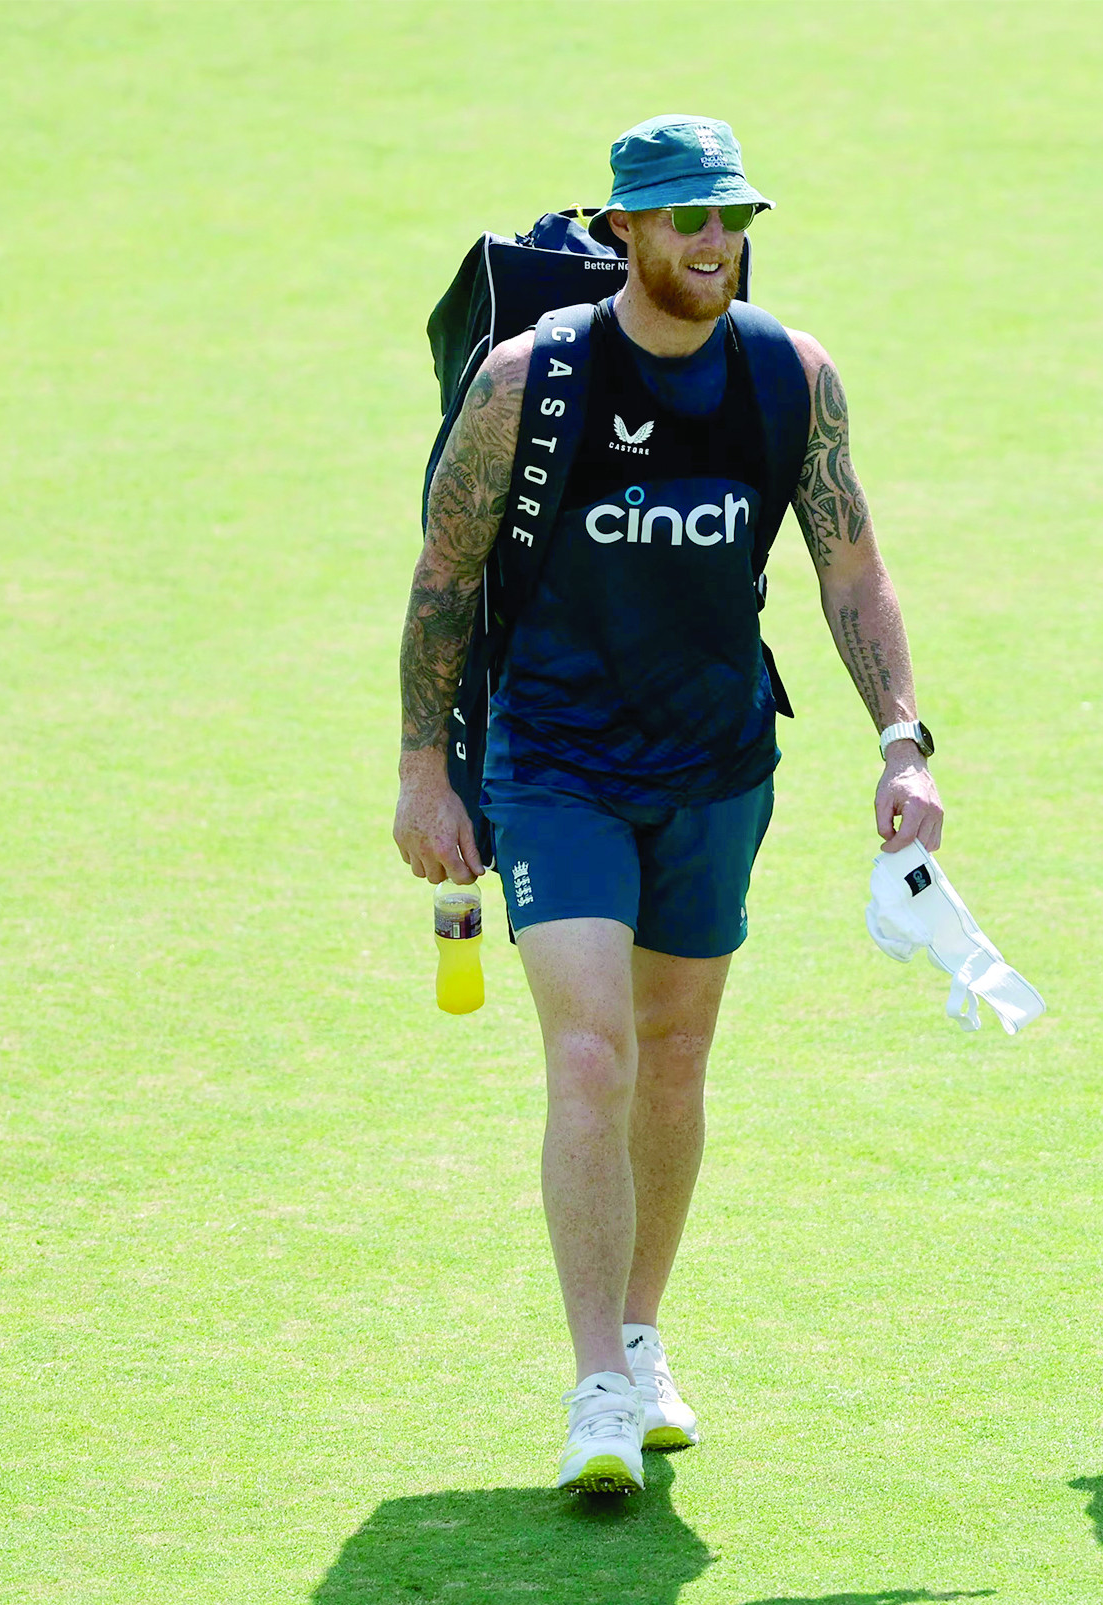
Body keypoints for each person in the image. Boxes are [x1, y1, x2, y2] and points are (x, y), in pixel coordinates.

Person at [392, 116, 944, 1493]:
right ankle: (592, 1387)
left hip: (716, 762)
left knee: (676, 1052)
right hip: (558, 761)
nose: (716, 244)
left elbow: (850, 566)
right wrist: (422, 769)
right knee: (591, 1054)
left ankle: (643, 1337)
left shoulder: (789, 377)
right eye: (688, 220)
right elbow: (445, 580)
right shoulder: (532, 382)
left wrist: (902, 738)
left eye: (733, 218)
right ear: (625, 232)